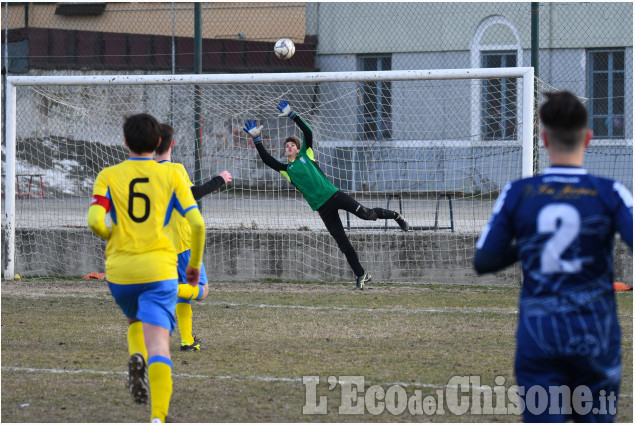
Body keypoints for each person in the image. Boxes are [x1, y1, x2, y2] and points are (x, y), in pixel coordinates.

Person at [473, 91, 633, 422]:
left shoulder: (518, 192)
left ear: (543, 138)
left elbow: (484, 260)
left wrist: (529, 243)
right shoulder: (610, 192)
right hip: (596, 337)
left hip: (539, 336)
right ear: (588, 138)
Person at [88, 113, 206, 423]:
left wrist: (114, 236)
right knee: (160, 345)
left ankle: (135, 356)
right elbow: (197, 224)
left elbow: (94, 221)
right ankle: (157, 417)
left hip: (121, 270)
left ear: (125, 142)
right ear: (157, 143)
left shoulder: (108, 175)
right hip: (160, 269)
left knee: (134, 321)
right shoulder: (172, 175)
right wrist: (193, 266)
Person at [243, 101, 409, 290]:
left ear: (298, 149)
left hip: (335, 195)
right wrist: (257, 140)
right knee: (342, 243)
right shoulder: (287, 169)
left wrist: (292, 114)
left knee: (366, 214)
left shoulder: (307, 153)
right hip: (322, 208)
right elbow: (267, 159)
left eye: (292, 145)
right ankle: (361, 275)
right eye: (286, 145)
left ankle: (396, 216)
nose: (289, 146)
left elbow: (308, 133)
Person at [155, 123, 232, 351]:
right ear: (173, 144)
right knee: (202, 290)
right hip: (182, 242)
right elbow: (192, 194)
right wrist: (219, 179)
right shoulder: (175, 169)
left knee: (184, 292)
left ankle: (187, 341)